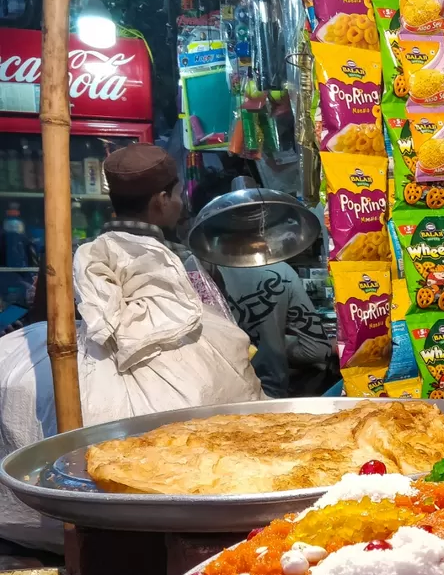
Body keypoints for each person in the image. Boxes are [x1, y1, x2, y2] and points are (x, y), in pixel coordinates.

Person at [0, 144, 262, 551]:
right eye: (176, 196)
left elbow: (47, 326)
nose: (177, 204)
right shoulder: (185, 262)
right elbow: (225, 331)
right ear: (162, 199)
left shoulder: (68, 257)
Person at [186, 172, 334, 398]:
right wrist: (271, 343)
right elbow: (316, 349)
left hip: (216, 396)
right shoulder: (280, 270)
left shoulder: (188, 269)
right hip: (272, 398)